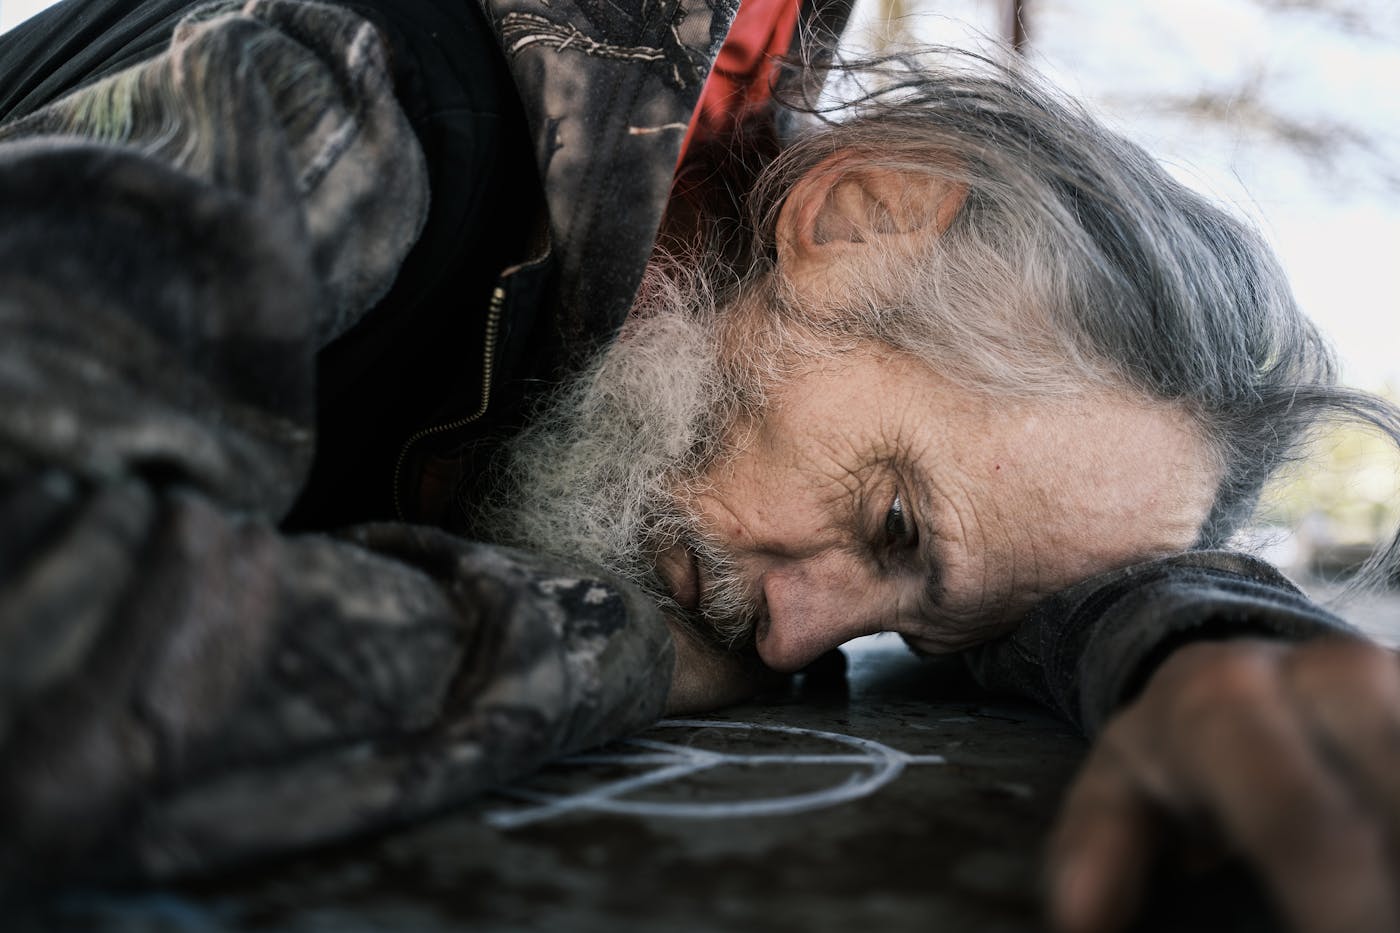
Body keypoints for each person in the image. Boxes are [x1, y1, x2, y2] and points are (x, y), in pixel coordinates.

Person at [0, 0, 1396, 930]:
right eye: (893, 519)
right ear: (862, 219)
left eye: (909, 615)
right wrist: (628, 648)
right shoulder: (339, 93)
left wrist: (1209, 643)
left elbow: (1014, 586)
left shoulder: (697, 324)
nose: (796, 631)